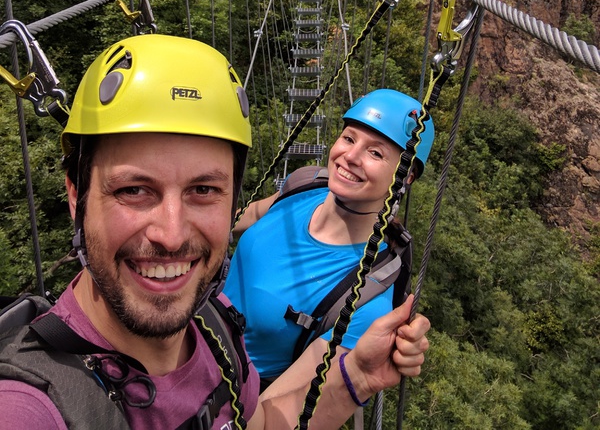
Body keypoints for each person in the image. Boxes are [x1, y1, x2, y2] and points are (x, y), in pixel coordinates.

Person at [0, 34, 430, 430]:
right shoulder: (34, 404)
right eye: (134, 190)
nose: (171, 235)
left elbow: (254, 422)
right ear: (76, 196)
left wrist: (354, 376)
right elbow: (256, 211)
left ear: (405, 177)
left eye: (204, 190)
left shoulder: (215, 331)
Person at [225, 88, 434, 392]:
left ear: (406, 177)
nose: (350, 156)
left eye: (375, 153)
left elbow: (284, 410)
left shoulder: (365, 301)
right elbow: (253, 214)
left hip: (224, 393)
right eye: (349, 138)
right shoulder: (305, 184)